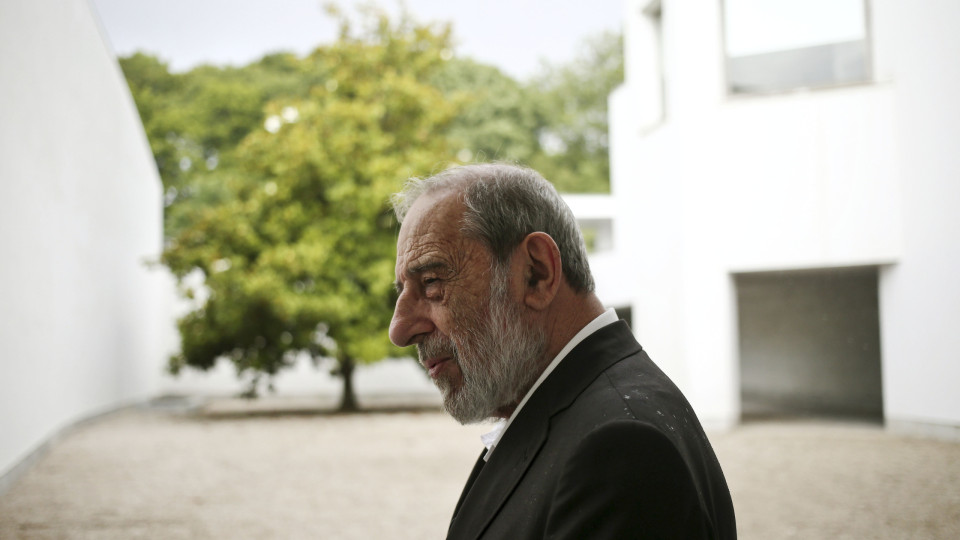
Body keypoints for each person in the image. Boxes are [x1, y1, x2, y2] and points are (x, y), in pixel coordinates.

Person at [389, 163, 736, 539]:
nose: (400, 329)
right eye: (402, 291)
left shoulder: (619, 449)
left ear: (536, 273)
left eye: (432, 282)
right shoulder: (579, 414)